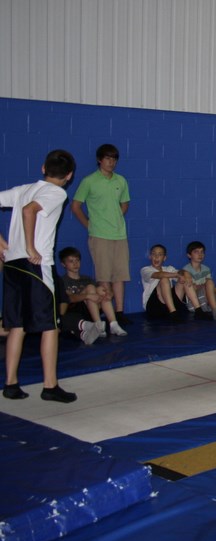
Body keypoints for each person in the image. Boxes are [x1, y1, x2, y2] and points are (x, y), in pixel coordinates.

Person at [1, 149, 79, 402]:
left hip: (13, 265)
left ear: (44, 168)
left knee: (17, 325)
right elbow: (29, 211)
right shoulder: (57, 192)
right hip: (36, 266)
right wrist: (30, 248)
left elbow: (26, 207)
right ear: (69, 175)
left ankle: (11, 383)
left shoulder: (24, 189)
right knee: (50, 326)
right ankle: (50, 385)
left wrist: (3, 244)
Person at [70, 144, 132, 325]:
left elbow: (125, 204)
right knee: (104, 275)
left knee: (120, 275)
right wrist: (90, 225)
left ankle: (119, 312)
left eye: (114, 159)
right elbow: (75, 206)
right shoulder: (89, 181)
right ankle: (109, 314)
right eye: (107, 158)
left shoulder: (121, 180)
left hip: (119, 234)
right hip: (99, 235)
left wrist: (116, 219)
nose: (111, 162)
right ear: (99, 160)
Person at [58, 246, 125, 336]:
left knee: (100, 290)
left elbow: (103, 293)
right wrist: (87, 296)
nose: (75, 264)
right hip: (75, 311)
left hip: (91, 310)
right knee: (90, 288)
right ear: (63, 264)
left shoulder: (86, 279)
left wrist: (108, 294)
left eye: (77, 260)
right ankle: (98, 325)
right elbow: (68, 298)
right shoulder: (63, 281)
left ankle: (113, 324)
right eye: (71, 261)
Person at [141, 244, 196, 321]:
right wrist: (176, 275)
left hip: (168, 304)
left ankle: (198, 310)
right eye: (154, 254)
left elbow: (180, 273)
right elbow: (158, 275)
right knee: (164, 279)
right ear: (150, 256)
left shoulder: (169, 268)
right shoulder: (145, 270)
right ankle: (173, 312)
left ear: (164, 258)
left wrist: (186, 273)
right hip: (154, 308)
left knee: (184, 279)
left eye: (160, 254)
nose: (156, 257)